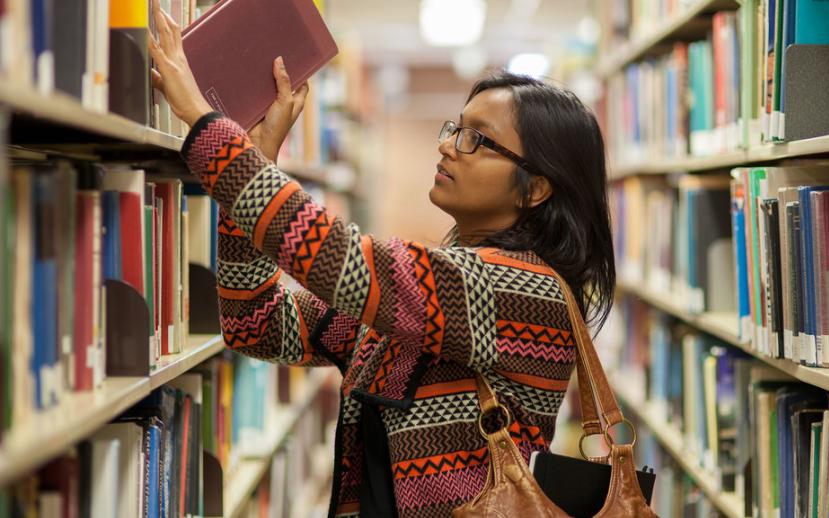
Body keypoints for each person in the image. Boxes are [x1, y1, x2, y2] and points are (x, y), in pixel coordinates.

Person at [148, 6, 616, 517]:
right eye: (454, 128)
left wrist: (205, 123)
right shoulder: (438, 306)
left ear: (537, 188)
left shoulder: (519, 290)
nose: (446, 146)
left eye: (475, 139)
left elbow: (334, 255)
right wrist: (257, 156)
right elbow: (257, 326)